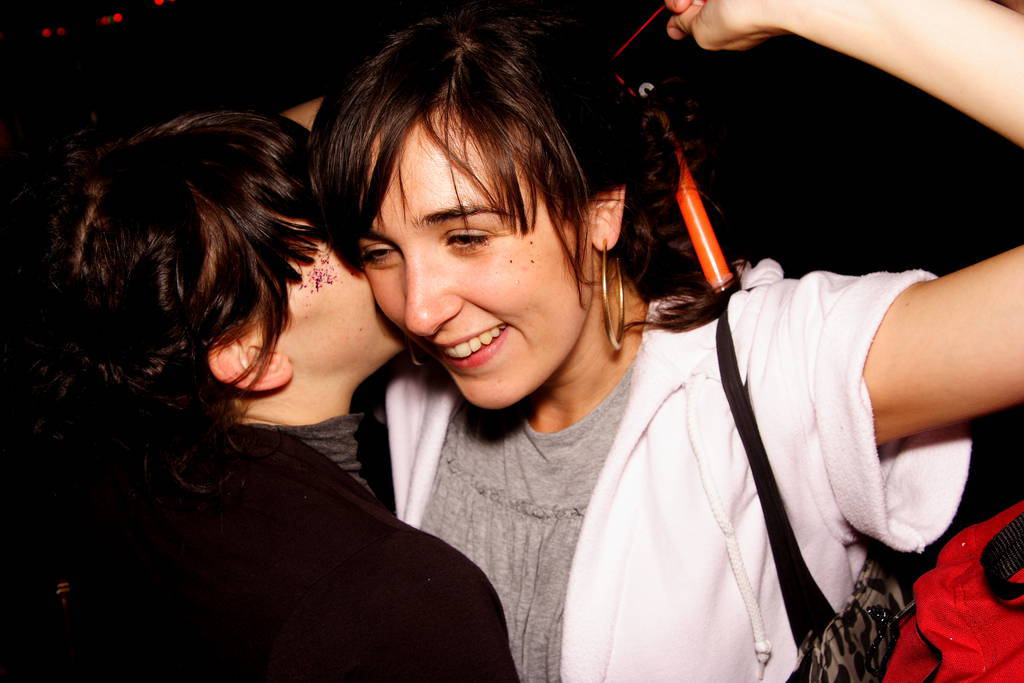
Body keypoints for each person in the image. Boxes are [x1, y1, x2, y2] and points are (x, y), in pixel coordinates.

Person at [306, 0, 1024, 680]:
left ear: (601, 210)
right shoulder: (422, 379)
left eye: (467, 237)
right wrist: (427, 78)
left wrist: (813, 5)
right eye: (379, 252)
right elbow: (249, 156)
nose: (418, 311)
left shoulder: (775, 369)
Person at [12, 111, 518, 681]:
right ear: (250, 355)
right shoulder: (394, 598)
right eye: (328, 232)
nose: (371, 233)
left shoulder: (119, 486)